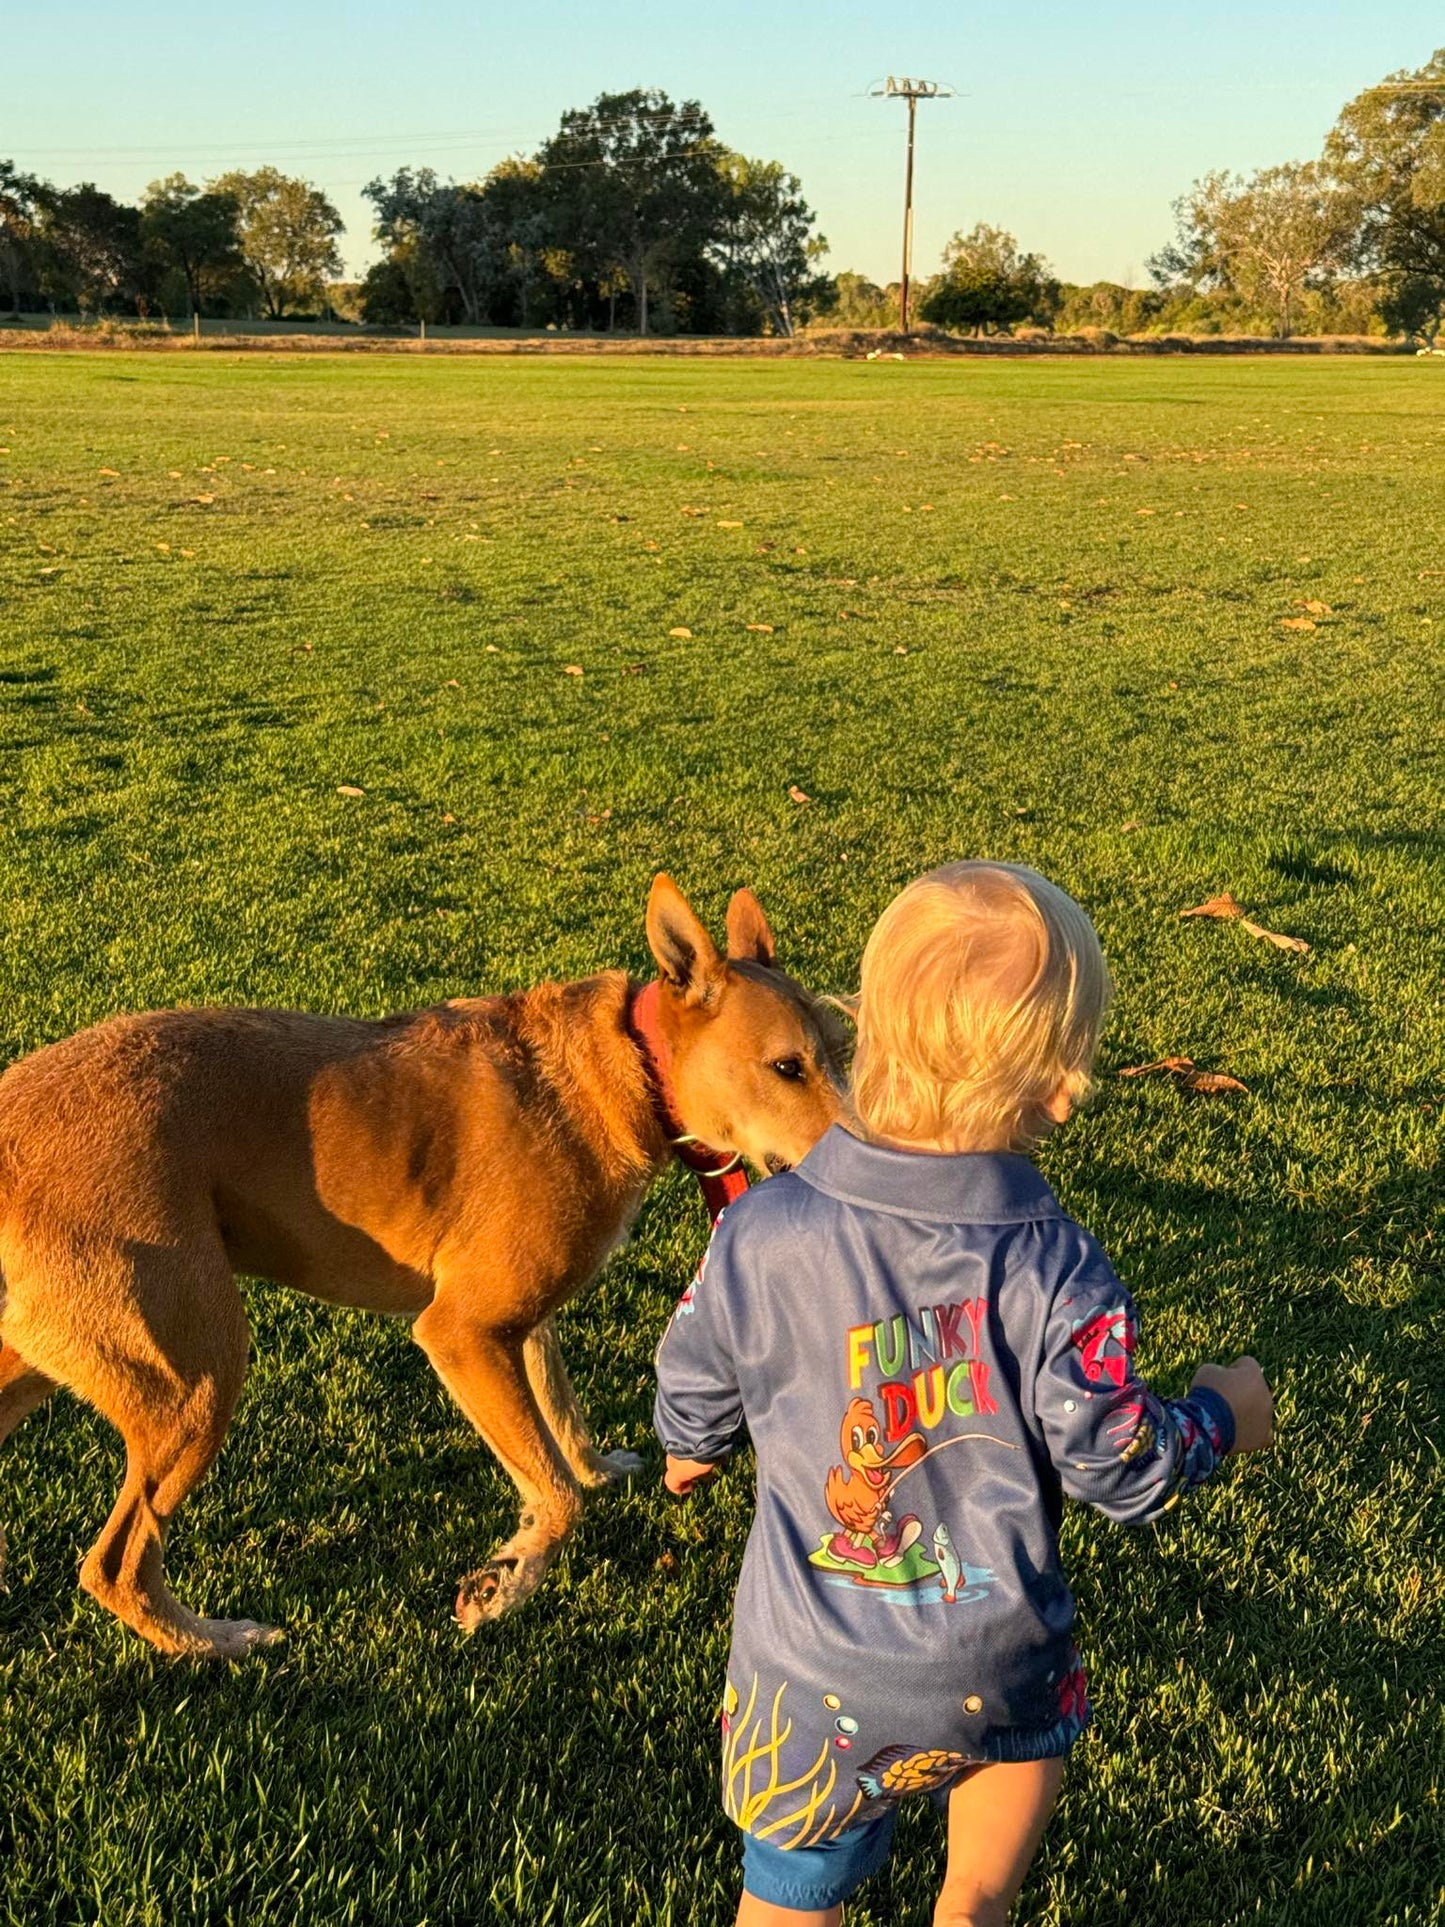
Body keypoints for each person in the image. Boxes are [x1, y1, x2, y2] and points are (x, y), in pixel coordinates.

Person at [654, 861, 1273, 1927]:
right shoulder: (1056, 1268)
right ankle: (973, 1901)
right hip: (991, 1660)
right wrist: (1221, 1414)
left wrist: (689, 1442)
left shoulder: (756, 1229)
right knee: (1017, 1754)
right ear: (1058, 1088)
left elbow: (695, 1358)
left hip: (805, 1674)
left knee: (789, 1892)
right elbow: (1118, 1463)